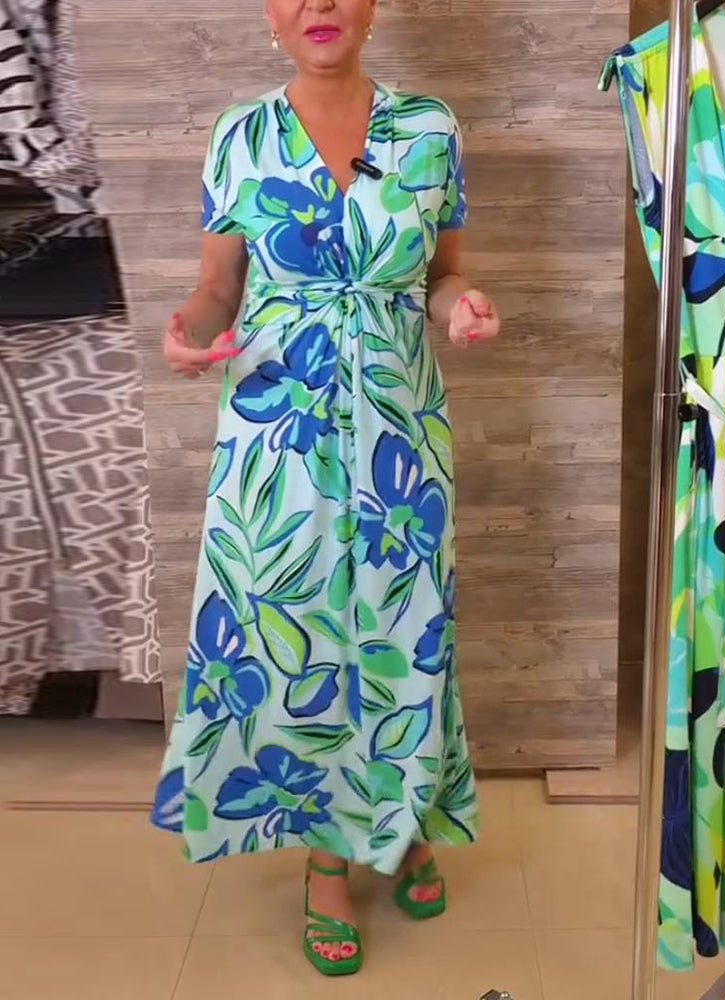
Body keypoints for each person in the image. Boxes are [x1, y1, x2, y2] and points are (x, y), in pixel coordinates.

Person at [151, 0, 500, 977]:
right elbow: (218, 288)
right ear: (270, 12)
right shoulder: (241, 135)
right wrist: (187, 331)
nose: (319, 4)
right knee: (295, 633)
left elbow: (440, 277)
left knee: (401, 633)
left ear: (371, 6)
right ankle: (327, 859)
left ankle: (404, 818)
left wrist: (462, 306)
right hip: (280, 438)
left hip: (398, 438)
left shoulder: (428, 129)